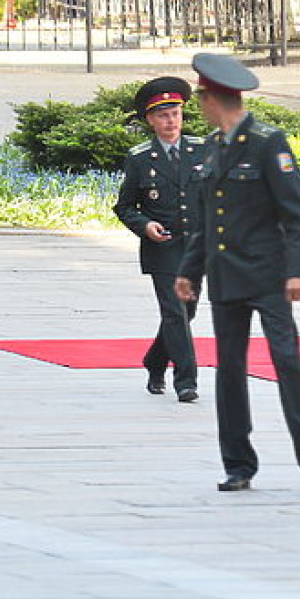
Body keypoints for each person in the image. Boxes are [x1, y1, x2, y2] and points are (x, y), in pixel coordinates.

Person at [175, 53, 300, 491]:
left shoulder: (267, 143)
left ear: (214, 98)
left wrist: (298, 272)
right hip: (226, 276)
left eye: (201, 97)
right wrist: (191, 272)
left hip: (269, 274)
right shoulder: (212, 147)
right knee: (229, 369)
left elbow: (297, 214)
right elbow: (207, 221)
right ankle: (238, 465)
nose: (199, 106)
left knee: (286, 360)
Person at [113, 77, 203, 403]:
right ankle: (186, 381)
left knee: (187, 312)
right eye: (163, 115)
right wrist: (145, 224)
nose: (171, 121)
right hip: (162, 246)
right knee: (175, 312)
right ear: (150, 120)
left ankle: (154, 360)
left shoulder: (203, 151)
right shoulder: (140, 158)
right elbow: (124, 206)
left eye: (175, 113)